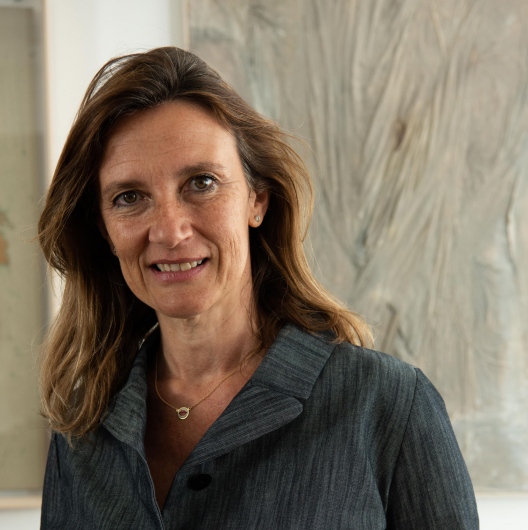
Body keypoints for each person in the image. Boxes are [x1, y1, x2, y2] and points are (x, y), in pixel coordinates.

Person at [38, 47, 479, 529]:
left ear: (258, 200)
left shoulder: (388, 405)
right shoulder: (82, 427)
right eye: (129, 197)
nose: (169, 231)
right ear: (104, 229)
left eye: (201, 183)